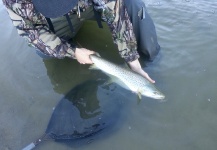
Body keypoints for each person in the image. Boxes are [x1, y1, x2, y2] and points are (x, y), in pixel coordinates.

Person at [2, 0, 160, 83]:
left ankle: (151, 59)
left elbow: (116, 13)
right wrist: (71, 51)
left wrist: (132, 60)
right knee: (43, 51)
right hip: (51, 22)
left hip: (85, 6)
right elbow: (31, 32)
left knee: (133, 3)